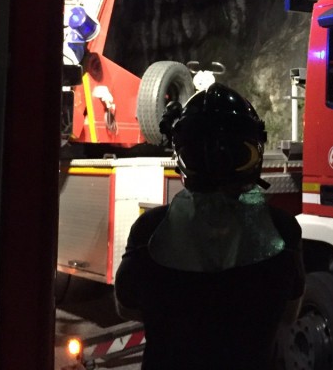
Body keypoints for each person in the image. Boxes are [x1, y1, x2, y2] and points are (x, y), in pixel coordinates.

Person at [114, 83, 305, 370]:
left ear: (182, 157)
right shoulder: (283, 229)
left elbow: (126, 307)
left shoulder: (149, 230)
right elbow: (289, 314)